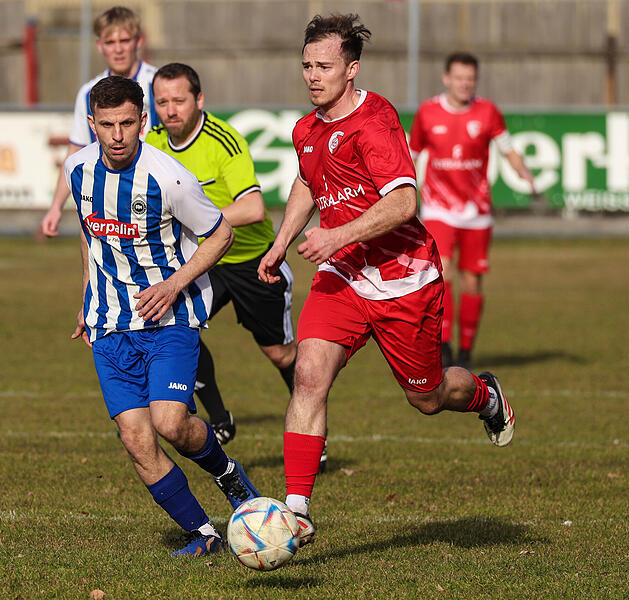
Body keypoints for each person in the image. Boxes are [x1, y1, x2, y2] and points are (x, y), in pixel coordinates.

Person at [257, 14, 515, 547]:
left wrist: (334, 236)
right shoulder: (307, 128)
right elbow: (309, 181)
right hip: (344, 278)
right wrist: (284, 240)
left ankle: (485, 395)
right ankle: (296, 511)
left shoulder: (375, 121)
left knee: (428, 397)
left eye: (323, 66)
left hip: (404, 280)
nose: (311, 75)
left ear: (352, 69)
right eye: (306, 64)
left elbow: (403, 202)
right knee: (309, 373)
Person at [65, 75, 259, 557]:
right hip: (110, 326)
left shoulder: (170, 178)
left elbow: (220, 235)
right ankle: (203, 533)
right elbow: (92, 238)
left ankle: (227, 473)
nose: (116, 135)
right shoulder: (77, 170)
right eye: (106, 124)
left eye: (126, 123)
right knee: (135, 438)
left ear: (142, 121)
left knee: (171, 424)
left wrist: (174, 284)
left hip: (171, 320)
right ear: (92, 123)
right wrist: (89, 298)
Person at [145, 63, 324, 464]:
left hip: (250, 261)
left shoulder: (224, 140)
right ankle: (220, 419)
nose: (170, 110)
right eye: (162, 102)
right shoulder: (151, 142)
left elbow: (254, 208)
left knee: (279, 354)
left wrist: (197, 217)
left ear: (199, 100)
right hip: (201, 262)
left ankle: (312, 429)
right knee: (177, 330)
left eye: (179, 100)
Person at [408, 52, 535, 370]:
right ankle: (445, 345)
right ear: (446, 78)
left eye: (470, 78)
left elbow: (507, 149)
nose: (465, 84)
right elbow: (410, 154)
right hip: (438, 209)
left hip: (477, 211)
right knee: (443, 273)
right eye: (459, 77)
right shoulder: (427, 112)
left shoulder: (488, 112)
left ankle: (466, 350)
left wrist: (525, 173)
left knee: (472, 284)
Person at [41, 5, 159, 238]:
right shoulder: (88, 93)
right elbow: (76, 150)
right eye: (110, 42)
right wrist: (55, 207)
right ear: (99, 46)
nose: (118, 49)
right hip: (109, 197)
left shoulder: (159, 83)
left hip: (155, 192)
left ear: (138, 41)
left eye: (124, 40)